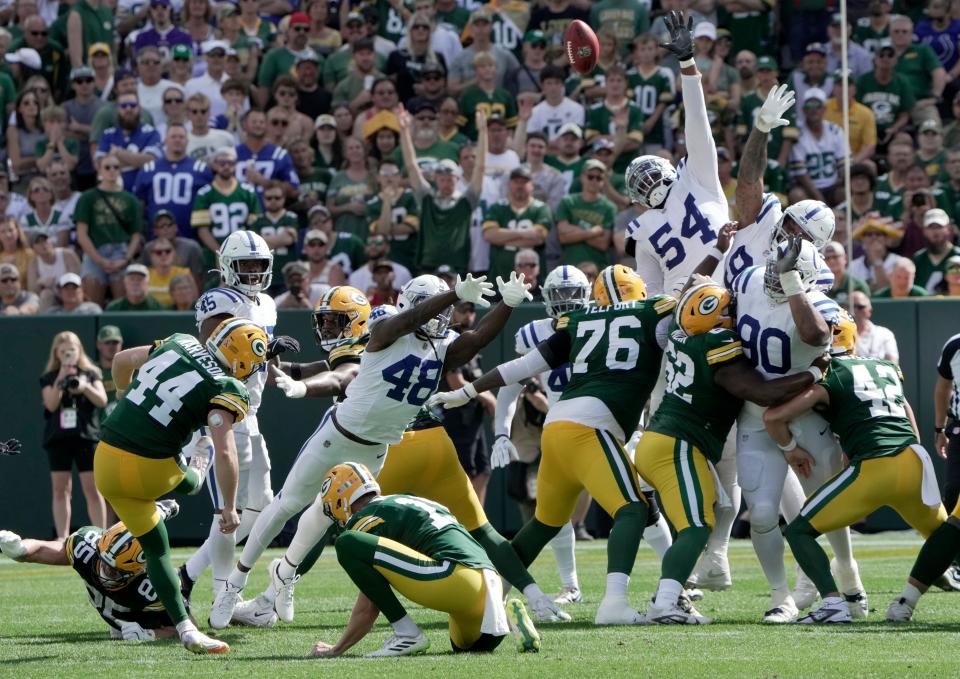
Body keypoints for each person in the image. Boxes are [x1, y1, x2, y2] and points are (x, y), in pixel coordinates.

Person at [208, 272, 533, 629]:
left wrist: (508, 304)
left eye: (448, 311)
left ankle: (284, 577)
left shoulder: (443, 347)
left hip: (377, 449)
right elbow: (347, 371)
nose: (442, 318)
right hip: (338, 435)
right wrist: (453, 293)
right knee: (286, 505)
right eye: (436, 309)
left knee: (324, 515)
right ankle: (234, 584)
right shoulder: (385, 329)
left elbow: (477, 337)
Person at [430, 264, 676, 625]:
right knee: (633, 509)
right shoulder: (655, 312)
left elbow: (520, 366)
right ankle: (615, 604)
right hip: (592, 427)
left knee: (544, 523)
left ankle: (489, 600)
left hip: (557, 427)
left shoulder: (577, 324)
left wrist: (466, 390)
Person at [636, 272, 826, 624]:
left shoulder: (682, 338)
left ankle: (675, 596)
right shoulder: (717, 341)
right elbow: (764, 393)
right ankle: (664, 604)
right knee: (695, 527)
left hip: (663, 441)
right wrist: (814, 373)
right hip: (677, 445)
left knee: (696, 525)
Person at [94, 318, 270, 654]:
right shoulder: (227, 385)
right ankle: (195, 473)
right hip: (152, 467)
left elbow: (120, 362)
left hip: (105, 459)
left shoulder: (180, 341)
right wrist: (229, 506)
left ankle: (186, 628)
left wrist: (120, 394)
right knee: (191, 474)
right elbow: (227, 451)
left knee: (157, 548)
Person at [767, 314, 947, 623]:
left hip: (874, 468)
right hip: (914, 461)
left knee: (799, 531)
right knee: (948, 538)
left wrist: (789, 448)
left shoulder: (830, 375)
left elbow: (773, 418)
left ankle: (834, 604)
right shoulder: (886, 368)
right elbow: (906, 409)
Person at [177, 232, 290, 624]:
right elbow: (215, 346)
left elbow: (260, 360)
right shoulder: (219, 300)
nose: (255, 272)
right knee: (228, 512)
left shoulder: (268, 304)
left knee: (263, 508)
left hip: (251, 413)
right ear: (227, 266)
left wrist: (286, 373)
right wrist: (263, 346)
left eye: (260, 264)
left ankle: (187, 575)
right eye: (246, 264)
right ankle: (223, 597)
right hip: (222, 410)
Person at [307, 463, 537, 657]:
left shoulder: (366, 517)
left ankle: (407, 634)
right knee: (467, 648)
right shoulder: (405, 502)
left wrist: (337, 649)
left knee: (347, 543)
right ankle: (509, 618)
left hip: (457, 578)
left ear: (340, 501)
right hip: (489, 590)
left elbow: (368, 607)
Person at [491, 264, 593, 605]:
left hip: (601, 426)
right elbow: (509, 387)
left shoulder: (600, 324)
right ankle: (572, 585)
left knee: (641, 502)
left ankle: (674, 587)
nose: (566, 302)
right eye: (559, 295)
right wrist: (501, 432)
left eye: (572, 294)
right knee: (553, 510)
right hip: (560, 431)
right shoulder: (533, 333)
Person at [624, 12, 730, 298]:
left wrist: (687, 65)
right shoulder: (641, 227)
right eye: (641, 182)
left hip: (726, 293)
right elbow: (650, 291)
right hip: (684, 307)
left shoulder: (696, 177)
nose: (647, 182)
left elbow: (697, 121)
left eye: (648, 174)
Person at [0, 501, 183, 641]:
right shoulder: (88, 549)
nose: (106, 572)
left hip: (142, 620)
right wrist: (21, 549)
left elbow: (186, 629)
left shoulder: (153, 587)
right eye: (104, 563)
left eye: (115, 571)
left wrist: (151, 634)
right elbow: (43, 550)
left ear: (138, 570)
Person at [40, 331, 108, 538]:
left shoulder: (90, 373)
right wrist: (62, 376)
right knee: (61, 489)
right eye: (63, 352)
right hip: (59, 438)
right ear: (56, 353)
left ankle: (102, 535)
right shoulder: (49, 377)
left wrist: (84, 386)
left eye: (71, 350)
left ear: (79, 350)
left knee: (92, 488)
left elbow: (102, 400)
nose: (68, 355)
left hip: (86, 437)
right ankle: (62, 537)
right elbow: (51, 404)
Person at [401, 110, 486, 275]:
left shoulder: (467, 201)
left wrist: (483, 131)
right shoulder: (426, 198)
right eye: (442, 179)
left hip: (458, 265)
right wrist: (404, 131)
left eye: (450, 179)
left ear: (457, 179)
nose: (446, 183)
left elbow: (480, 168)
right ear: (436, 179)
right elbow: (411, 166)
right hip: (428, 266)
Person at [75, 155, 144, 306]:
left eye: (116, 167)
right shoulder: (87, 197)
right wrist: (99, 260)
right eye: (107, 167)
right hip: (95, 251)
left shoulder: (130, 199)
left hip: (122, 251)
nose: (112, 170)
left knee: (122, 300)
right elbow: (81, 234)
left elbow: (136, 235)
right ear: (99, 170)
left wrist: (125, 259)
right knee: (91, 297)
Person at [133, 124, 212, 238]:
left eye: (181, 137)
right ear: (165, 140)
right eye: (173, 137)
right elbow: (139, 204)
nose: (177, 140)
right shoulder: (149, 169)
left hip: (191, 237)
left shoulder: (200, 169)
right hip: (156, 239)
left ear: (187, 141)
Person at [190, 147, 260, 268]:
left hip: (244, 253)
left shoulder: (248, 192)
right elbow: (202, 229)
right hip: (213, 254)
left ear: (236, 165)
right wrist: (219, 252)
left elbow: (255, 227)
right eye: (222, 163)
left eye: (230, 163)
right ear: (214, 165)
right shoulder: (204, 193)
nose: (226, 166)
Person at [483, 165, 551, 283]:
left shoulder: (541, 208)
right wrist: (525, 233)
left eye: (524, 182)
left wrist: (502, 240)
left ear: (532, 185)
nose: (520, 185)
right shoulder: (497, 208)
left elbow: (538, 237)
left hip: (532, 281)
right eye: (516, 181)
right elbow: (489, 235)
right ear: (509, 184)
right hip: (500, 278)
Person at [556, 160, 616, 272]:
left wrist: (574, 232)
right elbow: (563, 237)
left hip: (598, 268)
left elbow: (603, 243)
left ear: (603, 181)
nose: (594, 181)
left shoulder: (609, 207)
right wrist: (592, 232)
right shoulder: (568, 202)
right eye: (590, 176)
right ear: (582, 177)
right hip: (570, 267)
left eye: (599, 178)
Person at [96, 92, 162, 192]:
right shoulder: (108, 134)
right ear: (117, 109)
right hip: (114, 193)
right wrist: (137, 159)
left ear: (139, 108)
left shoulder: (151, 133)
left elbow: (151, 161)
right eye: (123, 106)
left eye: (133, 105)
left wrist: (118, 153)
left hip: (144, 193)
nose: (128, 109)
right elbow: (100, 164)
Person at [913, 208, 960, 293]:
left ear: (949, 229)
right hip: (924, 305)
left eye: (939, 227)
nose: (935, 232)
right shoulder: (918, 259)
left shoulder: (958, 256)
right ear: (924, 231)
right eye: (930, 227)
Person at [28, 233, 81, 302]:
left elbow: (77, 281)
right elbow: (32, 290)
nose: (43, 244)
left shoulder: (68, 255)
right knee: (45, 294)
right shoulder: (34, 263)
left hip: (71, 295)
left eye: (45, 240)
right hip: (51, 299)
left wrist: (57, 287)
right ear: (33, 249)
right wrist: (40, 283)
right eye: (38, 242)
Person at [850, 290, 899, 362]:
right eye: (850, 307)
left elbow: (893, 363)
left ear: (869, 310)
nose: (854, 311)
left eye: (860, 307)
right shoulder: (838, 334)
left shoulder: (884, 334)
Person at [821, 241, 870, 308]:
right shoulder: (819, 286)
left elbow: (865, 310)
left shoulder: (858, 285)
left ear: (845, 258)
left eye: (835, 257)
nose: (831, 261)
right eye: (827, 258)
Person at [145, 238, 189, 306]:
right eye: (159, 252)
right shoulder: (145, 275)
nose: (164, 254)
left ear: (174, 253)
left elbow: (193, 302)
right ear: (152, 256)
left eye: (168, 251)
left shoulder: (184, 274)